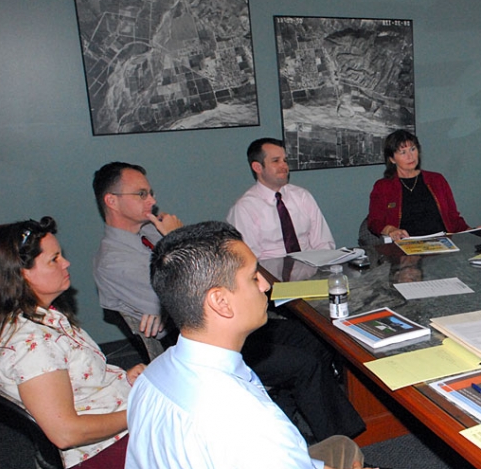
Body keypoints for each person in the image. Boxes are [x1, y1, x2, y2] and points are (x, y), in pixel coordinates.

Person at [125, 221, 481, 469]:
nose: (265, 285)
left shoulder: (155, 376)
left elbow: (251, 467)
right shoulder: (244, 424)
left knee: (340, 448)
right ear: (220, 301)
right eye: (253, 277)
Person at [91, 161, 365, 442]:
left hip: (222, 319)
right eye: (141, 194)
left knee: (313, 337)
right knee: (304, 364)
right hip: (202, 344)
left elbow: (206, 275)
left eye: (150, 192)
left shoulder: (149, 234)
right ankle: (342, 450)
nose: (153, 200)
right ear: (111, 201)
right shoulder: (115, 261)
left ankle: (285, 424)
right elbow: (189, 300)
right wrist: (175, 238)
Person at [0, 217, 144, 469]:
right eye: (54, 259)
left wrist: (122, 379)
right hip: (98, 454)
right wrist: (140, 411)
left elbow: (74, 382)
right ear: (22, 274)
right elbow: (66, 433)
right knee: (210, 433)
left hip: (107, 425)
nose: (66, 263)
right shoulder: (30, 346)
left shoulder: (37, 316)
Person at [228, 138, 336, 260]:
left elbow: (323, 243)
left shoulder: (302, 196)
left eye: (285, 160)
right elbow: (248, 258)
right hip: (269, 274)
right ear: (257, 167)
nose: (284, 165)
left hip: (311, 269)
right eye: (276, 161)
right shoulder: (245, 208)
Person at [367, 129, 478, 241]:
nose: (410, 156)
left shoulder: (437, 180)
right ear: (392, 159)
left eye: (413, 149)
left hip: (442, 243)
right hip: (405, 247)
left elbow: (453, 218)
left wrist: (473, 232)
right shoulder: (382, 187)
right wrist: (390, 230)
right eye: (403, 152)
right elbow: (374, 222)